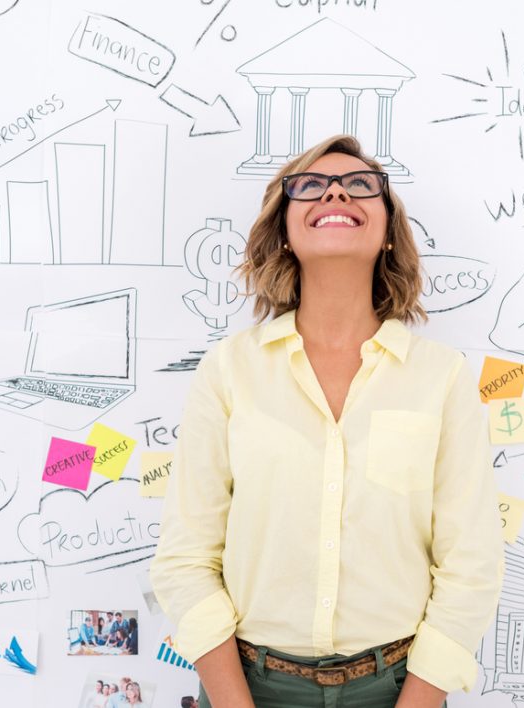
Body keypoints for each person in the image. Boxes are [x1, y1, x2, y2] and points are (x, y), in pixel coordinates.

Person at [149, 133, 503, 707]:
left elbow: (471, 566)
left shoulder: (442, 377)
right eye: (309, 186)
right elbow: (185, 558)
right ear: (284, 232)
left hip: (395, 689)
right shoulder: (229, 370)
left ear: (388, 231)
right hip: (248, 686)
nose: (336, 194)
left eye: (360, 185)